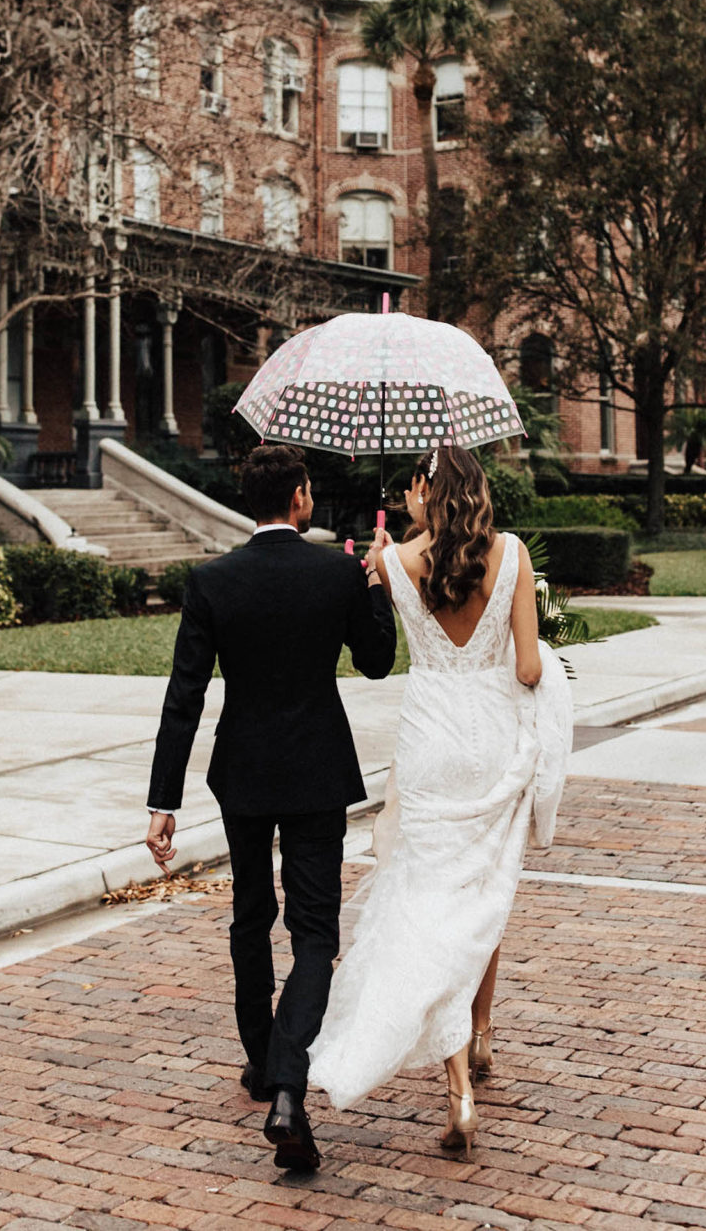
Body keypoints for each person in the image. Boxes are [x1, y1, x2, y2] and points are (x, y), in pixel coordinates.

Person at [308, 444, 572, 1158]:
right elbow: (526, 666)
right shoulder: (513, 553)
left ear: (430, 490)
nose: (406, 497)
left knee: (428, 900)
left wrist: (386, 561)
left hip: (429, 743)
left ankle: (460, 1083)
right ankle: (480, 1037)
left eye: (413, 486)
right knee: (481, 892)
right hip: (492, 742)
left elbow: (382, 646)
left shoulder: (394, 563)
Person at [145, 443, 397, 1173]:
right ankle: (289, 1081)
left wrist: (163, 800)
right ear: (299, 498)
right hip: (317, 769)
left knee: (250, 914)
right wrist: (376, 580)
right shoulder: (338, 572)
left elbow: (184, 696)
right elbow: (378, 660)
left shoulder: (213, 580)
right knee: (315, 931)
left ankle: (261, 1062)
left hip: (244, 771)